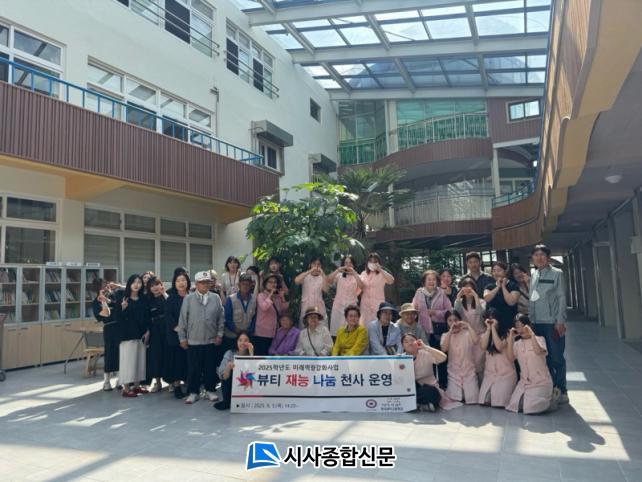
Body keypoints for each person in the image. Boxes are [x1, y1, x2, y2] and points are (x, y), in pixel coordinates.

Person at [178, 271, 224, 405]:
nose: (205, 285)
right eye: (202, 282)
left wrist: (220, 334)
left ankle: (210, 390)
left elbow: (221, 318)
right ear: (196, 284)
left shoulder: (215, 297)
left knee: (210, 367)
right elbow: (182, 319)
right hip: (193, 340)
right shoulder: (189, 298)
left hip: (211, 339)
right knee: (194, 368)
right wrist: (182, 338)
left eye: (207, 282)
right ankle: (193, 392)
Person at [529, 244, 568, 404]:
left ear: (548, 258)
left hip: (552, 323)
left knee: (556, 357)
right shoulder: (534, 275)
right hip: (536, 323)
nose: (539, 258)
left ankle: (562, 390)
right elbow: (533, 298)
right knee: (542, 358)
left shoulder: (557, 273)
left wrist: (560, 321)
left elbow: (561, 297)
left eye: (542, 255)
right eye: (536, 255)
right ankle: (551, 388)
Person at [506, 314, 554, 414]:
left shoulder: (540, 339)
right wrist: (511, 339)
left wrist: (532, 334)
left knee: (530, 408)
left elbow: (538, 351)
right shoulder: (517, 344)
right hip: (524, 383)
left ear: (529, 326)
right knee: (514, 405)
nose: (521, 329)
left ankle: (550, 402)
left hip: (540, 382)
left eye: (523, 326)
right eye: (518, 327)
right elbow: (510, 358)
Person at [402, 333, 461, 412]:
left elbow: (443, 357)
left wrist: (425, 347)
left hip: (427, 387)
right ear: (403, 346)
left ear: (417, 342)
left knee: (432, 393)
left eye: (412, 340)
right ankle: (420, 405)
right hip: (411, 388)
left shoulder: (425, 354)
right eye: (406, 341)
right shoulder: (400, 358)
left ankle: (415, 404)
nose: (409, 343)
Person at [412, 269, 452, 388]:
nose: (431, 282)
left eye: (434, 279)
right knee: (428, 359)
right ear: (424, 281)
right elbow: (413, 308)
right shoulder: (419, 293)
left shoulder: (441, 293)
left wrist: (435, 312)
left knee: (441, 358)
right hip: (424, 331)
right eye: (428, 279)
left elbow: (449, 310)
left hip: (439, 331)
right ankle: (432, 385)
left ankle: (443, 385)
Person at [113, 274, 150, 398]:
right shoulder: (123, 298)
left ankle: (137, 386)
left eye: (139, 282)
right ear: (129, 284)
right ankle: (126, 388)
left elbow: (147, 317)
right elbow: (117, 318)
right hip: (127, 335)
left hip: (141, 335)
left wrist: (148, 331)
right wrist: (123, 308)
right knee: (127, 362)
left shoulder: (143, 299)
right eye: (134, 282)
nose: (136, 285)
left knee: (139, 361)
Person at [478, 312, 517, 407]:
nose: (491, 321)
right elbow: (483, 346)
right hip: (490, 374)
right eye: (489, 319)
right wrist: (489, 329)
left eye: (493, 319)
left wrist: (494, 329)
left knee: (499, 402)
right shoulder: (485, 334)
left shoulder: (507, 334)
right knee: (484, 400)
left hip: (505, 374)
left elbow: (499, 346)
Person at [440, 311, 479, 404]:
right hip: (454, 372)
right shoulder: (445, 335)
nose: (453, 323)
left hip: (469, 371)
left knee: (472, 397)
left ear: (460, 320)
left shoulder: (467, 333)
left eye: (455, 320)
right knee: (455, 398)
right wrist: (450, 331)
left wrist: (468, 325)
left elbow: (475, 340)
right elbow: (444, 348)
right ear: (446, 322)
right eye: (450, 320)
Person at [163, 271, 190, 399]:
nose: (181, 283)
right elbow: (168, 317)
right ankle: (177, 386)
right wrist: (179, 329)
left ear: (187, 282)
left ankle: (189, 384)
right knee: (177, 362)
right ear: (174, 283)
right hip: (175, 335)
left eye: (183, 280)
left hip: (191, 335)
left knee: (188, 361)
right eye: (178, 281)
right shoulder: (171, 298)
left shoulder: (192, 296)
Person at [454, 278, 486, 379]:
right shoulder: (459, 302)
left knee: (479, 365)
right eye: (465, 287)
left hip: (480, 336)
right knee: (468, 364)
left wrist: (475, 296)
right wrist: (458, 296)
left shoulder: (481, 301)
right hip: (466, 337)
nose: (468, 290)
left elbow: (481, 313)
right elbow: (455, 313)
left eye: (470, 287)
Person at [215, 331, 254, 411]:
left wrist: (251, 354)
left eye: (246, 340)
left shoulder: (252, 353)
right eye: (240, 340)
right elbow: (223, 377)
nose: (242, 343)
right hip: (231, 386)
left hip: (247, 388)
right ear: (237, 341)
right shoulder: (229, 353)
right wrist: (228, 368)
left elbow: (255, 373)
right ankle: (228, 401)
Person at [92, 279, 120, 391]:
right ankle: (106, 381)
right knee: (109, 354)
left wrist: (109, 299)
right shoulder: (96, 302)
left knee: (120, 353)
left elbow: (120, 307)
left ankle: (120, 380)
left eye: (107, 286)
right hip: (109, 328)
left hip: (119, 327)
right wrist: (103, 301)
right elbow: (104, 314)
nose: (107, 288)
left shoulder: (114, 296)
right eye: (104, 287)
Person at [328, 255, 363, 336]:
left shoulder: (358, 276)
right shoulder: (339, 276)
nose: (348, 265)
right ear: (343, 264)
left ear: (353, 264)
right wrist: (338, 270)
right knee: (336, 332)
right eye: (346, 263)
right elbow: (329, 280)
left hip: (351, 308)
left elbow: (362, 286)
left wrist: (354, 273)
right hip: (338, 306)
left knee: (351, 331)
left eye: (350, 263)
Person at [254, 274, 289, 356]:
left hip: (274, 333)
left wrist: (282, 297)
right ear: (265, 284)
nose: (273, 284)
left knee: (270, 358)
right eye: (270, 282)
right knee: (261, 358)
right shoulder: (261, 295)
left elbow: (283, 310)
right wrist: (270, 295)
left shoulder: (277, 297)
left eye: (275, 282)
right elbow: (264, 307)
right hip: (261, 333)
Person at [223, 273, 257, 353]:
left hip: (247, 337)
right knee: (231, 356)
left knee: (246, 357)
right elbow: (227, 317)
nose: (245, 286)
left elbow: (254, 317)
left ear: (251, 285)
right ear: (239, 285)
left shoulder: (254, 299)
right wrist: (235, 329)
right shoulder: (231, 299)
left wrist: (249, 330)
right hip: (232, 336)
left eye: (247, 284)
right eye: (243, 284)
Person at [359, 253, 395, 326]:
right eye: (370, 261)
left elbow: (391, 281)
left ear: (378, 263)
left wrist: (380, 269)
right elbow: (360, 286)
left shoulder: (382, 274)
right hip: (365, 304)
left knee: (378, 325)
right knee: (365, 325)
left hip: (378, 304)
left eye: (375, 261)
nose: (372, 263)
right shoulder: (363, 273)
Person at [146, 276, 167, 393]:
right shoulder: (148, 300)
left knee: (167, 355)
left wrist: (164, 294)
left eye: (156, 284)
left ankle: (171, 382)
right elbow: (147, 318)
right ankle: (158, 382)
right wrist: (148, 331)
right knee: (156, 356)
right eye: (152, 286)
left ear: (161, 285)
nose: (154, 288)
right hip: (155, 330)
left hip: (167, 328)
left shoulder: (167, 296)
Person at [483, 261, 520, 328]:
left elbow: (511, 302)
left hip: (510, 320)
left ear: (505, 272)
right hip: (494, 322)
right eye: (494, 271)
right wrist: (498, 287)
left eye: (499, 270)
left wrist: (503, 287)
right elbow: (487, 298)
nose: (496, 273)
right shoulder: (489, 286)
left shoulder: (513, 285)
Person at [295, 257, 328, 328]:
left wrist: (323, 274)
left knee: (321, 327)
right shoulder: (306, 276)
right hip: (306, 306)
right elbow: (297, 281)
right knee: (305, 327)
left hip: (319, 306)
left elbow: (326, 290)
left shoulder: (322, 277)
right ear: (310, 265)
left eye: (318, 264)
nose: (316, 266)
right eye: (314, 264)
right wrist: (309, 271)